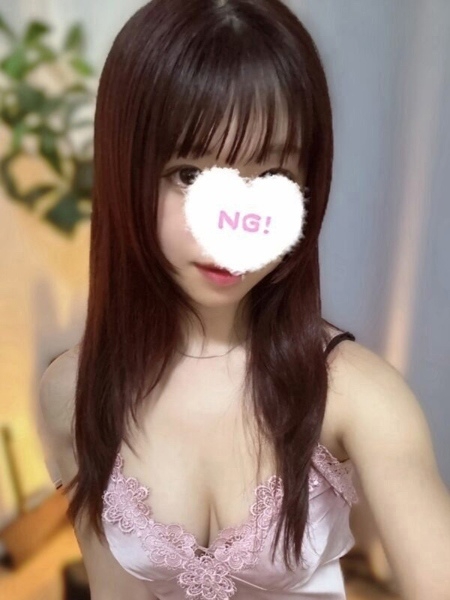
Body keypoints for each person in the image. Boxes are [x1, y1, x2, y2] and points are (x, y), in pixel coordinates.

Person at [37, 1, 450, 599]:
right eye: (188, 174)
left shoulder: (358, 395)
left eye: (274, 177)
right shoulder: (71, 394)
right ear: (124, 169)